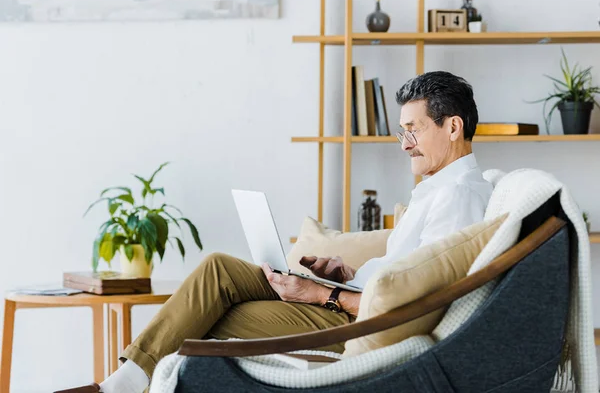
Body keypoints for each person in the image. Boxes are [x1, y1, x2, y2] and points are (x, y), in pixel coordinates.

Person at [56, 71, 493, 393]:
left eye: (413, 130)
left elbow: (420, 306)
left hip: (348, 323)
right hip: (349, 297)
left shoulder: (460, 198)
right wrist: (345, 271)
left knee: (213, 318)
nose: (405, 144)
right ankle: (124, 381)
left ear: (452, 127)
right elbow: (405, 272)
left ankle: (123, 385)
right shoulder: (437, 189)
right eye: (402, 132)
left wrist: (323, 295)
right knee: (219, 271)